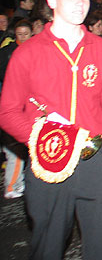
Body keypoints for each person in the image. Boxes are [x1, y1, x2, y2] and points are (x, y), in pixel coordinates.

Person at [0, 0, 102, 259]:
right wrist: (42, 136)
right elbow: (8, 111)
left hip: (95, 160)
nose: (80, 1)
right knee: (47, 247)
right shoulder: (28, 52)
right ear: (51, 0)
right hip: (47, 162)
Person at [0, 19, 32, 200]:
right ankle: (11, 186)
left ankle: (20, 181)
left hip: (28, 106)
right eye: (19, 35)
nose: (23, 38)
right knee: (15, 151)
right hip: (14, 107)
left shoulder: (34, 50)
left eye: (26, 34)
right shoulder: (8, 53)